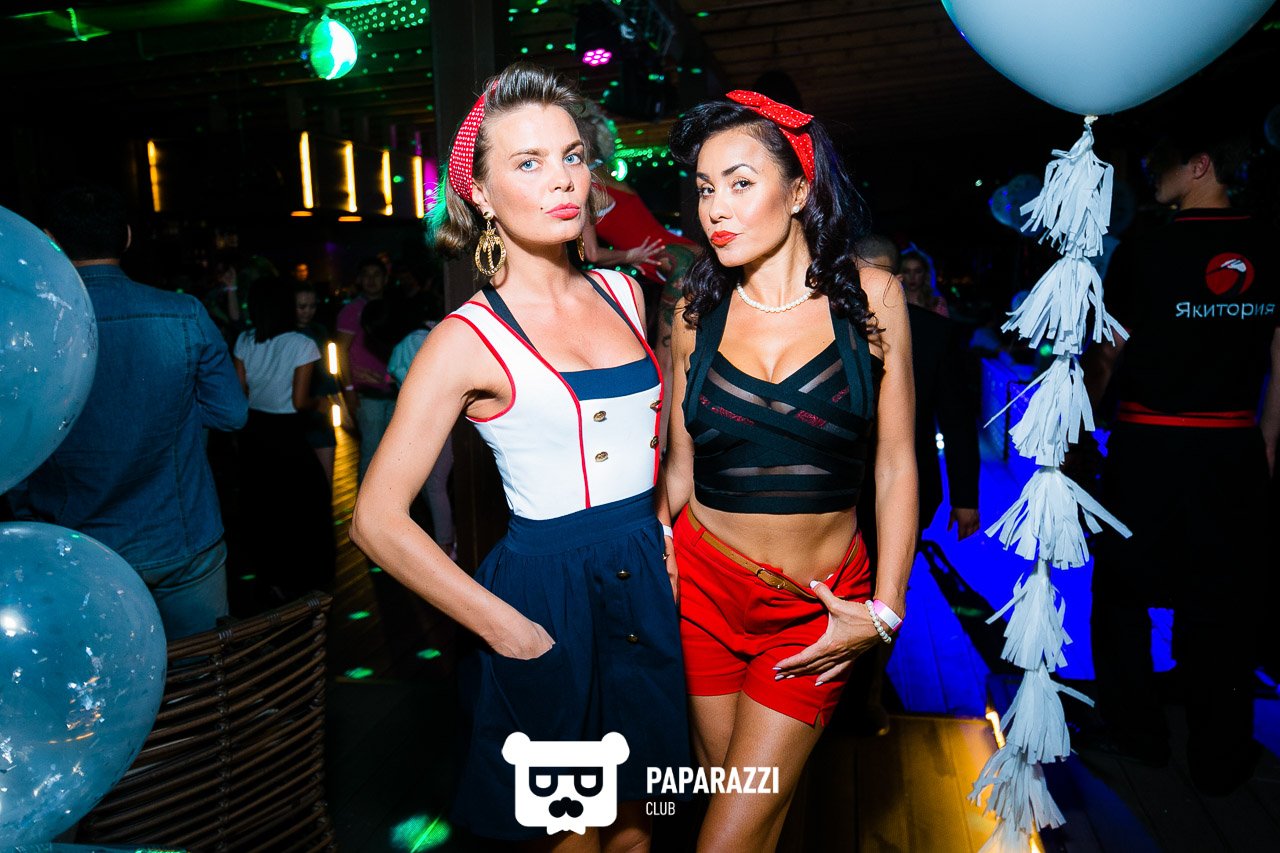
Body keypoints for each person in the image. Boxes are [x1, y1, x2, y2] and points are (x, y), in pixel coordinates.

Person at [349, 62, 689, 849]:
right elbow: (375, 519)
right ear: (479, 191)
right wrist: (508, 630)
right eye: (528, 163)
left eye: (571, 156)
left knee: (641, 824)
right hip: (547, 594)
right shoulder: (464, 338)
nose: (562, 179)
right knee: (570, 834)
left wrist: (663, 526)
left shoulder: (626, 293)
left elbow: (650, 443)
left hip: (644, 577)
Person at [662, 91, 917, 850]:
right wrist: (649, 544)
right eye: (705, 188)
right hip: (702, 596)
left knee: (727, 838)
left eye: (740, 183)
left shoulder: (872, 298)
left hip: (813, 611)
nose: (715, 208)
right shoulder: (693, 314)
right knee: (742, 812)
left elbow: (896, 465)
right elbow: (679, 470)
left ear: (799, 191)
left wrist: (885, 610)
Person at [1079, 124, 1280, 795]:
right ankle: (1220, 756)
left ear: (1199, 165)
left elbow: (1109, 351)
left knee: (1120, 593)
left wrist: (1077, 429)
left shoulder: (1148, 245)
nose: (1149, 176)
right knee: (1223, 601)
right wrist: (1267, 442)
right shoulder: (1272, 241)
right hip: (1232, 444)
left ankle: (1137, 732)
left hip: (1150, 444)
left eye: (1158, 164)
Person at [14, 184, 248, 640]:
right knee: (204, 670)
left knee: (104, 676)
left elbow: (19, 445)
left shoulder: (31, 332)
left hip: (80, 549)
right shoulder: (183, 314)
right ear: (125, 236)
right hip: (180, 537)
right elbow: (231, 414)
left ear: (50, 240)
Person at [233, 277, 336, 604]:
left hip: (254, 432)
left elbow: (240, 393)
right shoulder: (302, 344)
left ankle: (272, 578)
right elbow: (299, 401)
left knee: (264, 508)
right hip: (288, 434)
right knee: (303, 508)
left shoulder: (244, 340)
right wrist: (321, 404)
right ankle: (303, 582)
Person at [336, 256, 395, 483]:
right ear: (359, 280)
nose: (371, 280)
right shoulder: (352, 311)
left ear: (385, 279)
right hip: (368, 394)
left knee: (394, 455)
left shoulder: (391, 307)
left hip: (394, 390)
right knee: (371, 454)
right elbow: (341, 351)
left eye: (376, 275)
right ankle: (365, 504)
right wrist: (349, 390)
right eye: (366, 275)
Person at [295, 280, 340, 485]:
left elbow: (326, 370)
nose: (308, 312)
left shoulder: (319, 331)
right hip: (296, 411)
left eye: (312, 306)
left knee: (326, 479)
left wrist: (338, 400)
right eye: (302, 306)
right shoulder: (285, 334)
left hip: (319, 409)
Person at [899, 247, 949, 317]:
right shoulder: (892, 301)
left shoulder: (937, 302)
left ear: (925, 274)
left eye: (917, 271)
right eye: (907, 271)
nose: (912, 277)